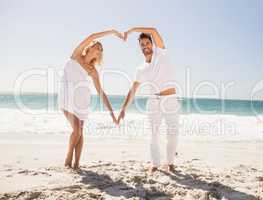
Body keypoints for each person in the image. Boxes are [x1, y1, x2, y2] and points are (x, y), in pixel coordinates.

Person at [118, 27, 180, 173]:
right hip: (153, 102)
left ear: (152, 44)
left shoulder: (161, 53)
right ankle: (155, 164)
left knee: (173, 133)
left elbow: (153, 30)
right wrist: (123, 108)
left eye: (147, 43)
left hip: (170, 99)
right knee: (154, 134)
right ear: (140, 47)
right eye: (142, 44)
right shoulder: (141, 68)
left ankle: (170, 162)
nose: (145, 46)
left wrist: (132, 30)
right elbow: (133, 89)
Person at [58, 29, 123, 169]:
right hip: (66, 98)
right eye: (96, 45)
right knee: (77, 129)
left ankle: (76, 164)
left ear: (99, 54)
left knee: (80, 131)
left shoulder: (93, 71)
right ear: (90, 46)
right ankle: (68, 157)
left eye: (100, 49)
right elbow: (92, 36)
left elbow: (101, 92)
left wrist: (112, 113)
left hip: (81, 101)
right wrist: (112, 32)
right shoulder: (76, 55)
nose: (98, 49)